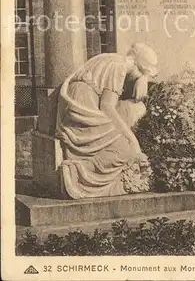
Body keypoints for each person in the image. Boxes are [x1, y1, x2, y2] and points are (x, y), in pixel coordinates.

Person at [55, 43, 158, 199]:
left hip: (81, 106)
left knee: (126, 129)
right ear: (139, 68)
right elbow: (107, 107)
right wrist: (133, 140)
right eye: (141, 76)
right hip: (85, 111)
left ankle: (84, 167)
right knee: (127, 149)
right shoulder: (120, 67)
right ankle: (81, 171)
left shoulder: (112, 58)